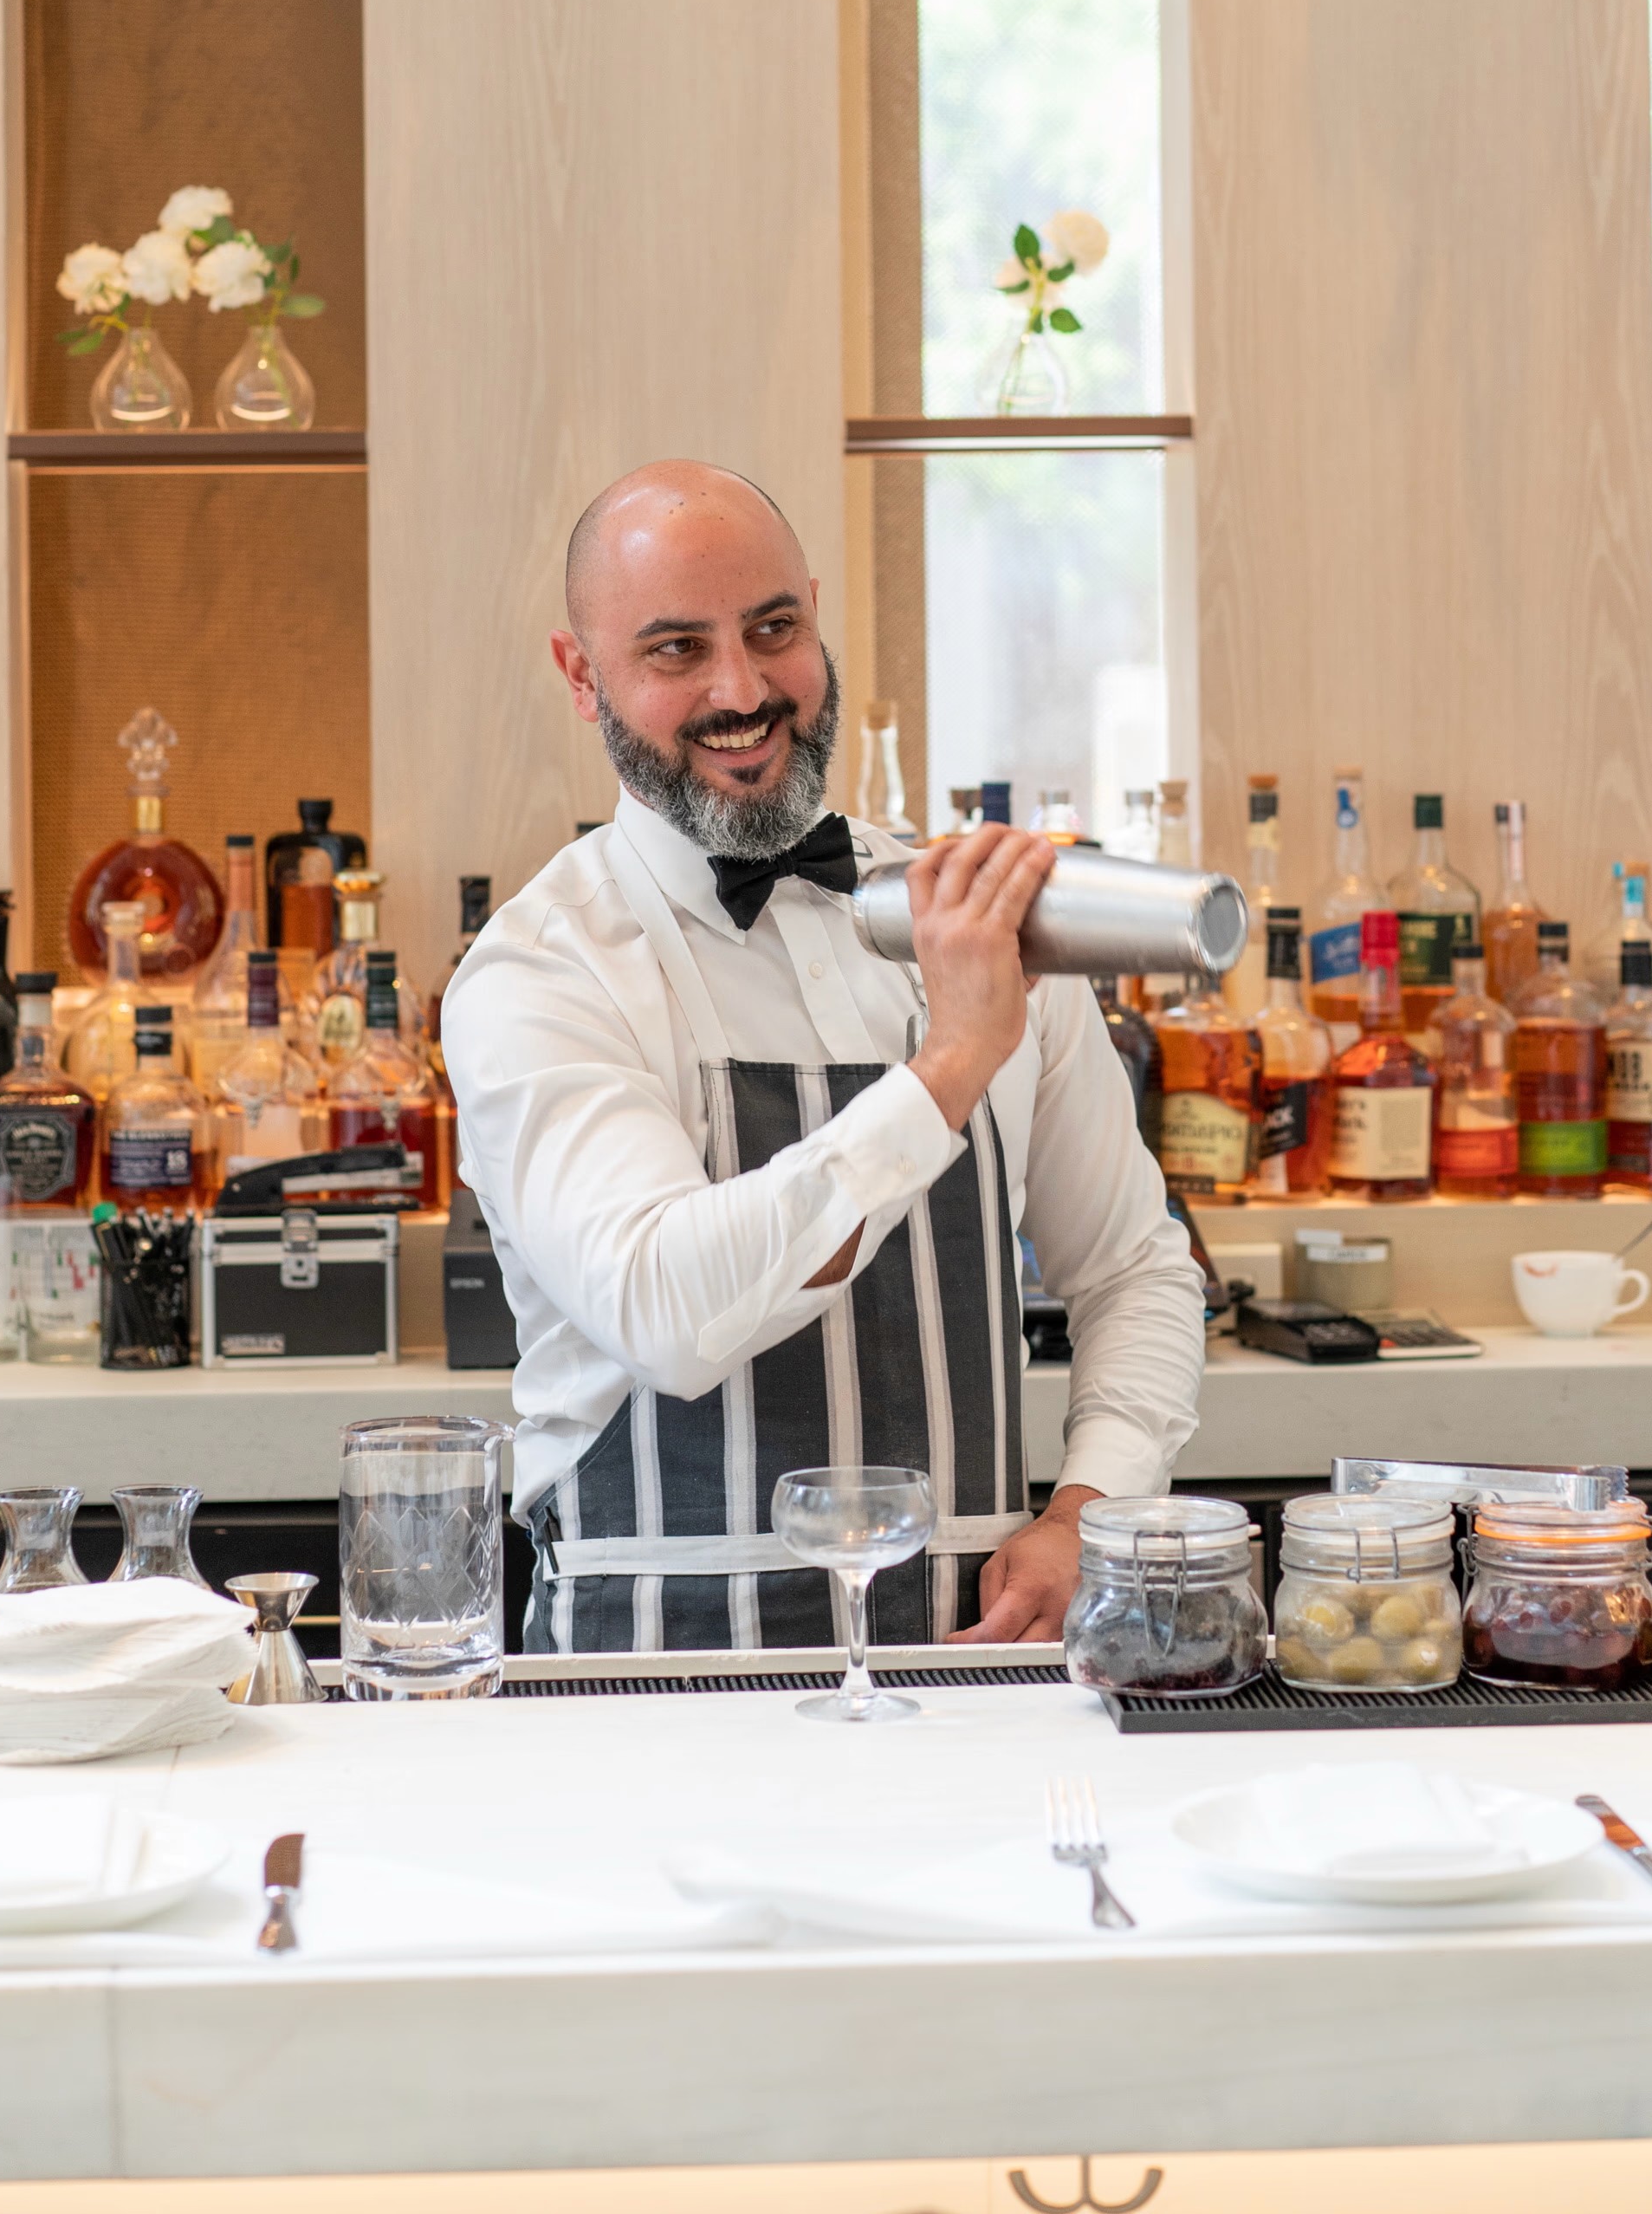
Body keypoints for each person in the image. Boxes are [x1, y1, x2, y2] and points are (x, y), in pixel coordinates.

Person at [441, 459, 1208, 1654]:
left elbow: (1135, 1269)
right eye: (675, 651)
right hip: (654, 1678)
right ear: (580, 673)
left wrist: (1088, 1512)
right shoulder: (542, 972)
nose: (741, 689)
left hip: (972, 1662)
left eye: (773, 630)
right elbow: (669, 1310)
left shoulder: (974, 921)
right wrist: (951, 1065)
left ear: (816, 614)